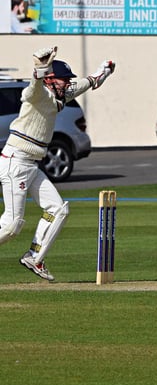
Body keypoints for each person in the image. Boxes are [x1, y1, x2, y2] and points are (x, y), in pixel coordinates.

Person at [0, 46, 115, 281]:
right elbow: (31, 90)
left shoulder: (61, 94)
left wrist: (104, 72)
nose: (67, 84)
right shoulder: (39, 93)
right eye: (63, 80)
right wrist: (40, 69)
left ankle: (34, 256)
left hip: (32, 164)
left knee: (58, 209)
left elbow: (88, 82)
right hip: (16, 162)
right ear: (51, 80)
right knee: (12, 225)